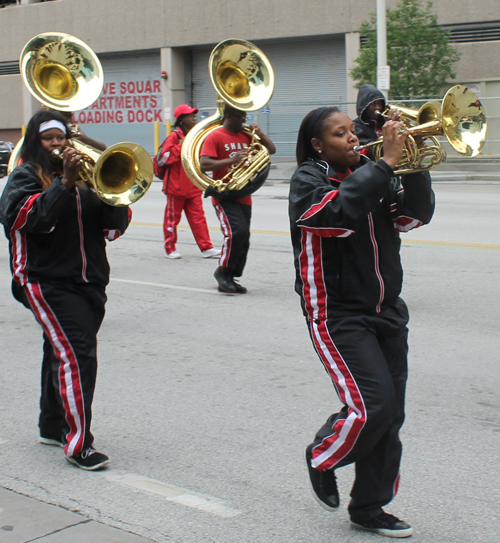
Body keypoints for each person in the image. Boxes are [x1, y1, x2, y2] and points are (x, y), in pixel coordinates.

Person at [289, 106, 435, 537]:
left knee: (391, 416)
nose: (353, 138)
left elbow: (412, 217)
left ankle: (370, 507)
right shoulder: (308, 181)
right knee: (372, 406)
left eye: (352, 131)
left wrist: (413, 167)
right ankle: (322, 455)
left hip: (387, 308)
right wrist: (387, 164)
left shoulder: (376, 172)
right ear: (318, 145)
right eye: (339, 134)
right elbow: (330, 217)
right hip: (337, 312)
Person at [0, 109, 131, 471]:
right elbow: (28, 220)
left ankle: (52, 424)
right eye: (48, 138)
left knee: (59, 348)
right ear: (35, 143)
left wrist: (111, 194)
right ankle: (78, 445)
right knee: (77, 355)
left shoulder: (88, 177)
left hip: (89, 280)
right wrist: (64, 184)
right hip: (43, 279)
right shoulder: (25, 176)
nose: (57, 144)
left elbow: (112, 230)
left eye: (61, 137)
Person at [200, 105, 276, 294]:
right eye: (240, 117)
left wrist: (260, 134)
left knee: (244, 238)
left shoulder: (246, 135)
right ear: (228, 116)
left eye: (245, 117)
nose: (244, 121)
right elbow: (204, 164)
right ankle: (223, 272)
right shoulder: (215, 136)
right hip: (224, 193)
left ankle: (231, 275)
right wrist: (231, 161)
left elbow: (271, 150)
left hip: (243, 193)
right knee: (236, 233)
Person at [157, 104, 220, 259]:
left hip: (193, 186)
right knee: (172, 220)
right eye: (190, 116)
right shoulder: (174, 136)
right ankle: (170, 249)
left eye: (193, 115)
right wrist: (181, 148)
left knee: (198, 218)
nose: (194, 118)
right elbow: (162, 159)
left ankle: (206, 247)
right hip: (175, 187)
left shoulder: (195, 134)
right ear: (182, 119)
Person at [353, 84, 401, 160]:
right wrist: (389, 129)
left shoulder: (382, 122)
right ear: (364, 106)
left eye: (379, 103)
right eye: (372, 104)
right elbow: (373, 152)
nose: (377, 107)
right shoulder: (356, 126)